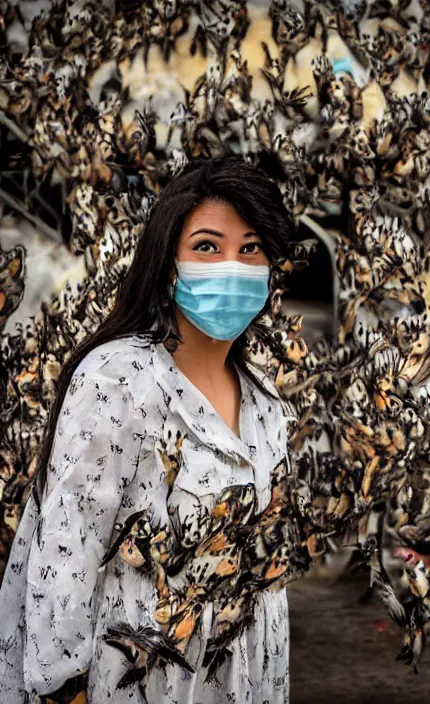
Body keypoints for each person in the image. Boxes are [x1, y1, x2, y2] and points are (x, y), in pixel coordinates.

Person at [0, 156, 296, 703]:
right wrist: (62, 688)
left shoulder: (266, 399)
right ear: (168, 264)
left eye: (249, 248)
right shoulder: (119, 378)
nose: (231, 265)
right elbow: (69, 546)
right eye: (207, 246)